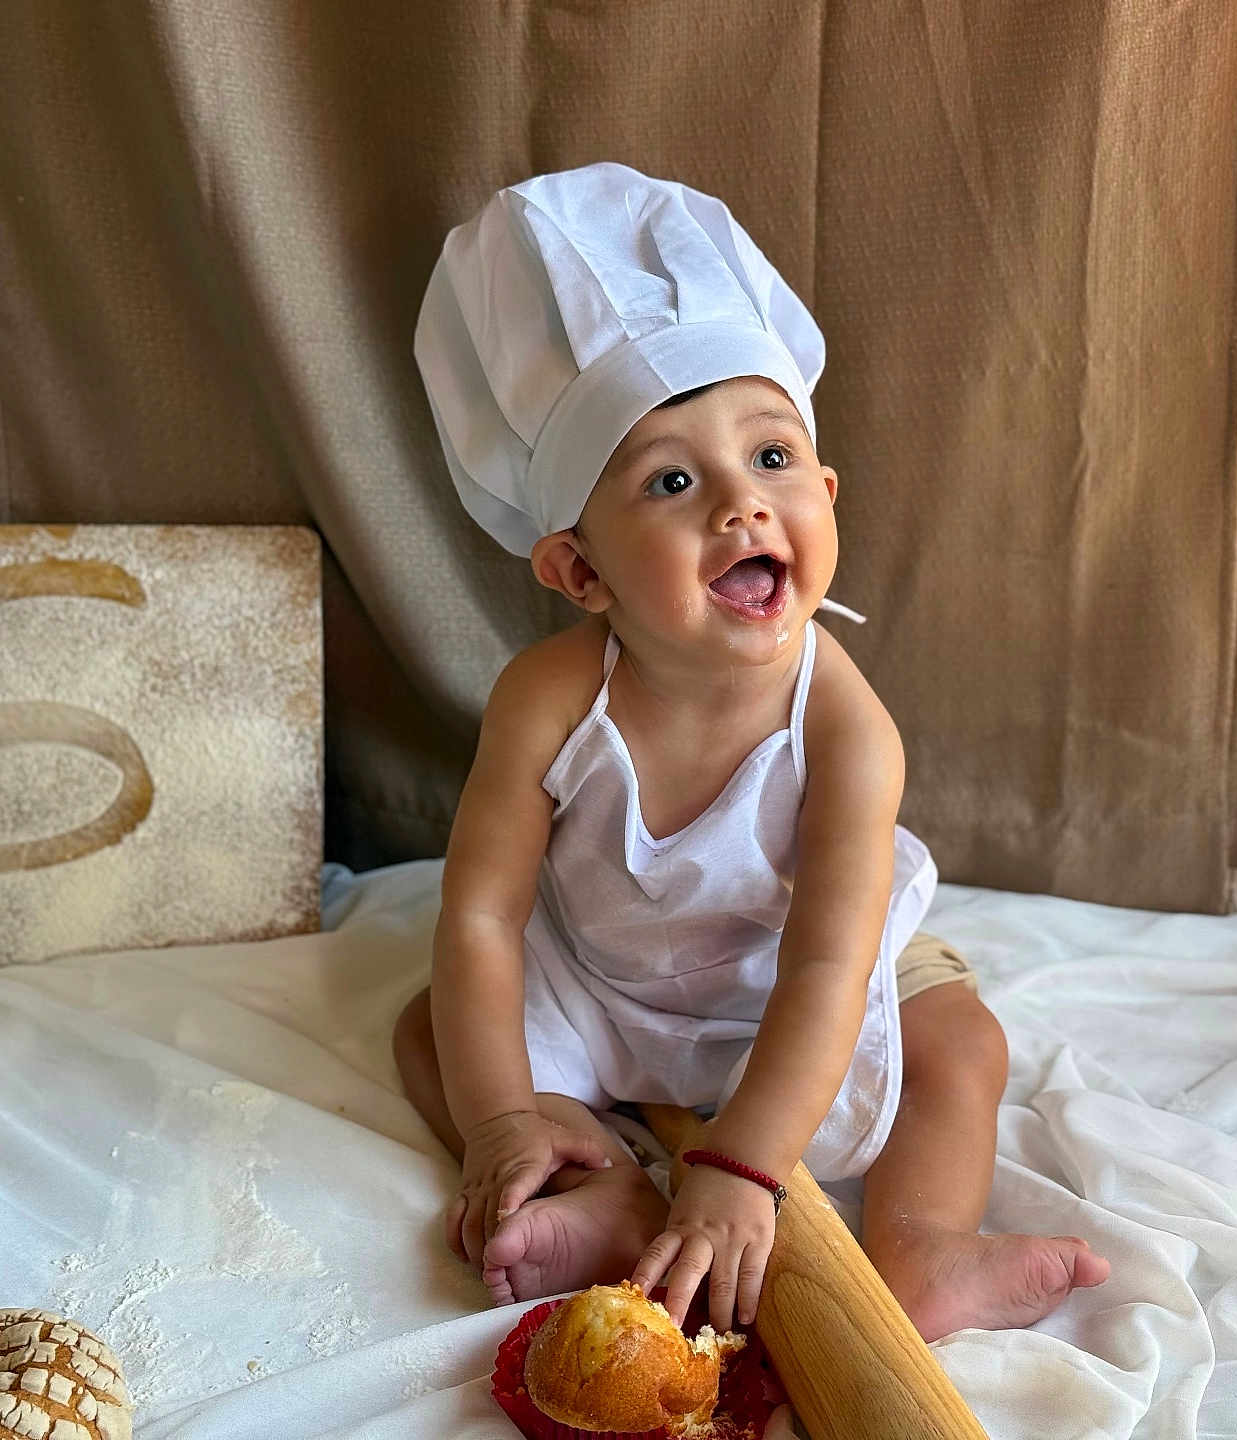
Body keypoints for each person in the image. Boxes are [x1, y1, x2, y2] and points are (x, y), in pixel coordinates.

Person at [395, 162, 1108, 1342]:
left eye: (773, 459)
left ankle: (923, 1247)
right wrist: (499, 1120)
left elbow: (831, 970)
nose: (742, 504)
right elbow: (480, 917)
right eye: (673, 481)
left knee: (957, 1041)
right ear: (580, 571)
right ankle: (600, 1191)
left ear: (826, 492)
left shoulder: (844, 726)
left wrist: (744, 1168)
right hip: (607, 975)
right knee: (437, 1028)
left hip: (796, 988)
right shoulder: (547, 700)